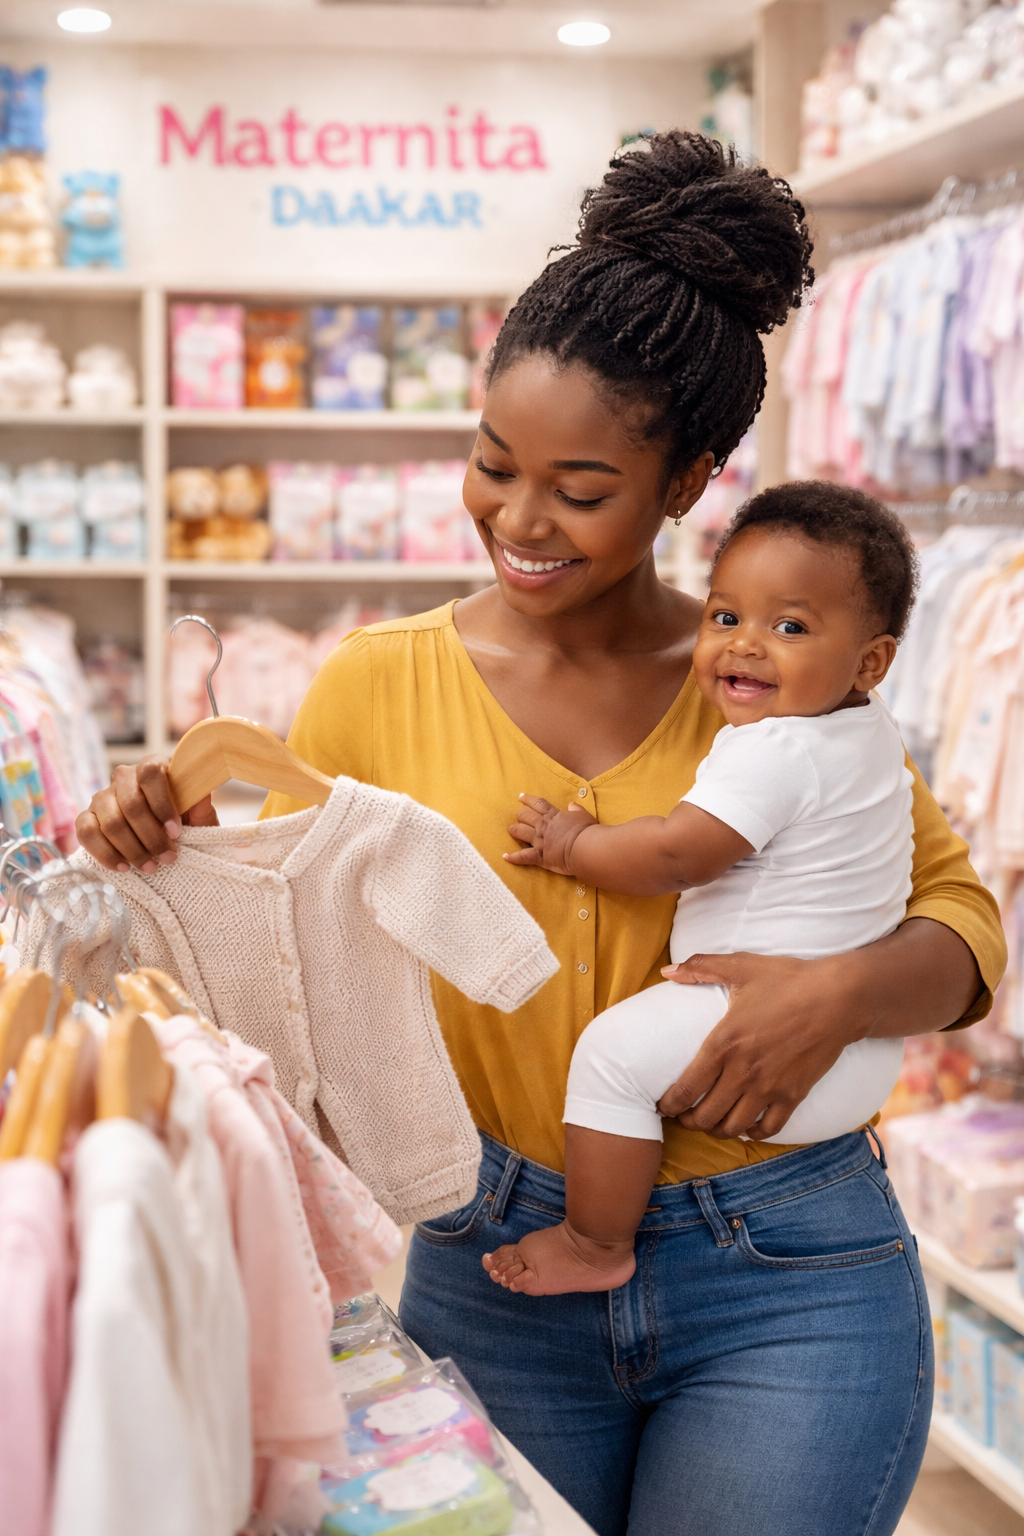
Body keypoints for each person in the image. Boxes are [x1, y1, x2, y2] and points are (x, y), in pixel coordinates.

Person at [77, 133, 1005, 1536]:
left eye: (581, 492)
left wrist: (840, 991)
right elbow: (271, 926)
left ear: (690, 482)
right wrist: (150, 831)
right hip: (494, 1259)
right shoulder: (373, 683)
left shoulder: (770, 678)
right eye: (494, 464)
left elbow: (963, 927)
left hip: (788, 1273)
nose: (519, 519)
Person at [484, 483, 920, 1298]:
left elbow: (677, 857)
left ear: (871, 660)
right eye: (725, 618)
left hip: (752, 1031)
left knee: (610, 1059)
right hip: (856, 1059)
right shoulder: (868, 734)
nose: (745, 647)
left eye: (789, 627)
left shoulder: (775, 750)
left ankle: (594, 1241)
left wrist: (576, 843)